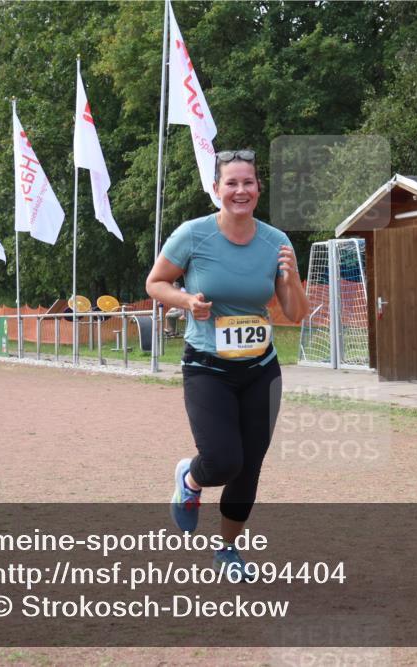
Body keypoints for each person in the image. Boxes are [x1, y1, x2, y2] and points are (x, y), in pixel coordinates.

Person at [145, 149, 311, 579]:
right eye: (231, 183)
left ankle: (227, 550)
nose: (241, 190)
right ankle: (191, 479)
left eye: (248, 182)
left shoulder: (276, 242)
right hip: (208, 367)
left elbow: (296, 313)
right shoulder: (193, 234)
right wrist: (186, 300)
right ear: (217, 189)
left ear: (259, 188)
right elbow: (156, 282)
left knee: (249, 467)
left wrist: (292, 277)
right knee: (222, 461)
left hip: (261, 370)